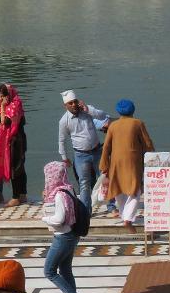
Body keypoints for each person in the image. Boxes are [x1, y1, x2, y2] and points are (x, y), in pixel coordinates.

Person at [40, 162, 85, 293]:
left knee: (49, 271)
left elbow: (59, 219)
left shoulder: (59, 194)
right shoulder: (68, 188)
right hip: (72, 235)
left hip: (63, 237)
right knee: (65, 270)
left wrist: (45, 219)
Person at [99, 98, 153, 227]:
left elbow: (106, 147)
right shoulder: (138, 123)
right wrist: (152, 156)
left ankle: (125, 216)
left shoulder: (113, 125)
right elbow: (147, 143)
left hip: (116, 162)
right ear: (133, 110)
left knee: (119, 189)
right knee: (135, 189)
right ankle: (128, 218)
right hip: (133, 162)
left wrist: (104, 165)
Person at [58, 90, 108, 208]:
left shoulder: (87, 110)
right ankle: (86, 211)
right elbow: (61, 140)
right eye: (70, 103)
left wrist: (88, 110)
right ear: (65, 106)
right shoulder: (64, 121)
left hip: (97, 151)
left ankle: (111, 207)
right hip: (81, 155)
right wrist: (64, 157)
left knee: (106, 178)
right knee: (84, 184)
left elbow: (103, 116)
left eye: (75, 102)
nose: (74, 105)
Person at [0, 84, 28, 205]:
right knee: (19, 167)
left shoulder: (14, 105)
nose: (2, 99)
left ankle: (16, 196)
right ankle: (22, 194)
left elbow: (5, 121)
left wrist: (3, 107)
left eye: (3, 96)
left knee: (14, 167)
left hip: (15, 141)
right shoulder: (13, 104)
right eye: (0, 97)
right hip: (15, 139)